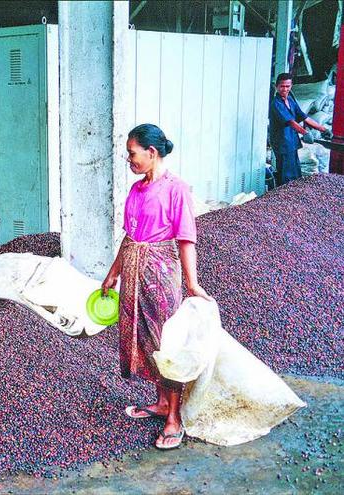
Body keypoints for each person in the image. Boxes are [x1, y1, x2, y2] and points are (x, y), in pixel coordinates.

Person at [101, 124, 211, 450]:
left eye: (132, 153)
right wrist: (113, 273)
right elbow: (129, 237)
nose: (128, 159)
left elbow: (186, 239)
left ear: (151, 152)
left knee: (167, 343)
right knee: (145, 340)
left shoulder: (176, 189)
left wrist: (192, 283)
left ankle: (174, 419)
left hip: (161, 273)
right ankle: (162, 403)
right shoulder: (136, 191)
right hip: (135, 273)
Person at [269, 72, 332, 185]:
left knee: (295, 172)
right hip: (282, 143)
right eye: (282, 86)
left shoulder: (291, 101)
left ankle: (292, 195)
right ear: (276, 87)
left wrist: (323, 129)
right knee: (286, 174)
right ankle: (283, 197)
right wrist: (305, 133)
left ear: (291, 86)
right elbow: (291, 122)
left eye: (287, 86)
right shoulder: (276, 104)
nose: (285, 89)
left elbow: (304, 117)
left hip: (291, 142)